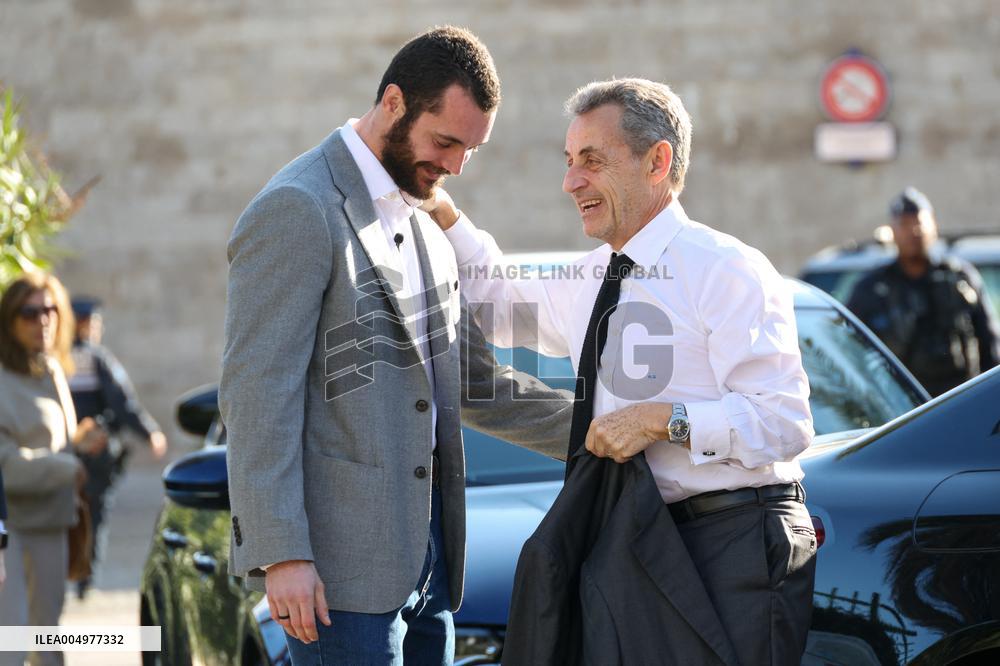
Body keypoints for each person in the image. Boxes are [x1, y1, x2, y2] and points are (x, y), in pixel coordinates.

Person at [423, 78, 817, 663]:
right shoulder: (593, 277)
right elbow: (497, 302)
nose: (571, 181)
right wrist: (444, 212)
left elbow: (783, 423)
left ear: (657, 161)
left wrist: (664, 422)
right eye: (568, 162)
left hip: (732, 544)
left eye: (592, 161)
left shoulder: (726, 269)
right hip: (633, 543)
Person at [220, 26, 573, 665]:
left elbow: (474, 384)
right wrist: (283, 553)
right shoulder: (298, 209)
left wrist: (607, 429)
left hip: (430, 566)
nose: (456, 166)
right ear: (392, 103)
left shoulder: (426, 225)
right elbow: (256, 393)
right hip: (338, 579)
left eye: (471, 148)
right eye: (446, 141)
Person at [0, 273, 108, 666]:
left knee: (47, 641)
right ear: (9, 320)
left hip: (54, 523)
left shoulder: (49, 369)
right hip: (11, 530)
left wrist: (80, 439)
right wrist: (68, 465)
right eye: (29, 312)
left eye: (50, 310)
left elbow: (47, 437)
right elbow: (6, 466)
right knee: (10, 645)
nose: (42, 320)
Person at [846, 187, 1000, 397]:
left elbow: (991, 346)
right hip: (900, 408)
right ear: (893, 230)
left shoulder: (960, 277)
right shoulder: (872, 288)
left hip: (959, 400)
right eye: (905, 224)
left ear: (934, 225)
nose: (914, 231)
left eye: (919, 222)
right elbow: (849, 352)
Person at [66, 296, 167, 599]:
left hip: (61, 455)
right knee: (94, 515)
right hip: (94, 455)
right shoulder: (96, 358)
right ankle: (85, 578)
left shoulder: (54, 359)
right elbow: (122, 403)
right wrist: (150, 433)